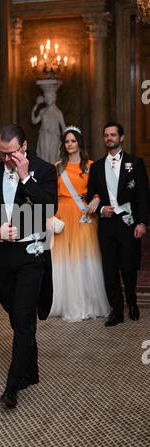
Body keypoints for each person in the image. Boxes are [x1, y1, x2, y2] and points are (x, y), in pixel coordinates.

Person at [0, 123, 58, 409]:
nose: (6, 159)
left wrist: (26, 179)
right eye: (2, 154)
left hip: (31, 255)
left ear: (23, 148)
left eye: (11, 154)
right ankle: (32, 370)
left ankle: (12, 387)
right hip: (3, 258)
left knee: (23, 318)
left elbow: (50, 208)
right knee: (15, 315)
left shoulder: (45, 170)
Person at [87, 121, 149, 326]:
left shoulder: (136, 163)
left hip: (128, 223)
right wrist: (100, 208)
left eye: (113, 135)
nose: (109, 138)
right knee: (109, 268)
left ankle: (132, 302)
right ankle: (116, 309)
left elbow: (143, 196)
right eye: (106, 135)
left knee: (129, 267)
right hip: (106, 225)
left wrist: (142, 223)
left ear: (121, 138)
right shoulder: (96, 167)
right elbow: (89, 197)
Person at [49, 126, 110, 321]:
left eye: (73, 141)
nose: (69, 144)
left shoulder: (91, 166)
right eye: (67, 141)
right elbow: (51, 193)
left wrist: (97, 198)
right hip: (63, 214)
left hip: (84, 214)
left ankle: (87, 303)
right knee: (63, 257)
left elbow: (102, 189)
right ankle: (64, 302)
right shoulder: (57, 166)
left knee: (84, 254)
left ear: (79, 143)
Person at [31, 91, 65, 164]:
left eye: (50, 97)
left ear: (54, 98)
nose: (48, 99)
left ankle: (53, 173)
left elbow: (63, 127)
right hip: (43, 136)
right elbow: (34, 121)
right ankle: (45, 173)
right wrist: (35, 107)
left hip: (54, 136)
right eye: (46, 98)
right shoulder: (42, 111)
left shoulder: (58, 112)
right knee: (44, 156)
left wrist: (65, 141)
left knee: (52, 156)